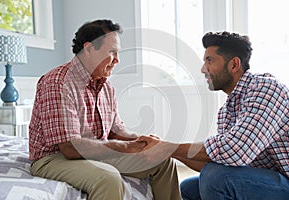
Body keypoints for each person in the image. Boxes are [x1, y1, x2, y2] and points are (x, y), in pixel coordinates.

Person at [28, 19, 181, 200]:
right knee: (108, 178)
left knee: (163, 161)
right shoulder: (58, 83)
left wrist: (142, 141)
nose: (117, 60)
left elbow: (116, 131)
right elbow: (70, 148)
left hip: (94, 152)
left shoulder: (105, 86)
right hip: (54, 158)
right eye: (112, 52)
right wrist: (124, 147)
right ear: (89, 48)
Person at [139, 31, 289, 200]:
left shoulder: (266, 89)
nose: (203, 69)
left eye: (209, 60)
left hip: (286, 181)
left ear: (234, 65)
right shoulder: (227, 111)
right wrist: (165, 151)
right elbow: (218, 160)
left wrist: (168, 146)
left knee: (216, 178)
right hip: (268, 181)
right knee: (189, 187)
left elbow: (236, 150)